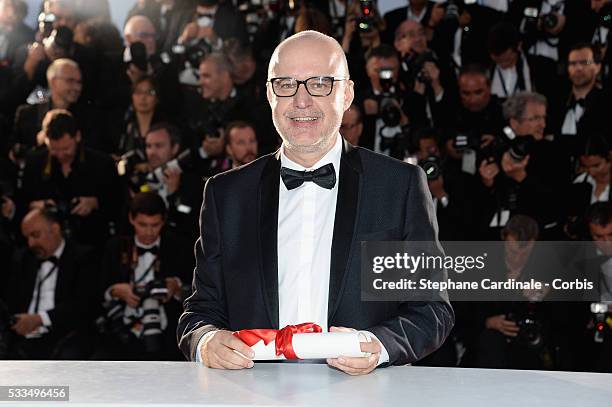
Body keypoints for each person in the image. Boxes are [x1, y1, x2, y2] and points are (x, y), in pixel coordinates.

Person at [177, 30, 454, 374]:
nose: (301, 100)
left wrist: (378, 345)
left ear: (347, 93)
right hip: (252, 394)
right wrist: (206, 341)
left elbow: (431, 311)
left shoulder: (400, 186)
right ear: (269, 94)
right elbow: (200, 312)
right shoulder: (226, 194)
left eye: (320, 83)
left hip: (363, 395)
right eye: (286, 84)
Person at [95, 192, 192, 361]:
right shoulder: (116, 247)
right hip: (123, 328)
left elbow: (195, 291)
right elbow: (97, 290)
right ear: (131, 219)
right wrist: (116, 291)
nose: (149, 232)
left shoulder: (178, 246)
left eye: (155, 225)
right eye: (142, 225)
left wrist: (175, 286)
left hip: (168, 331)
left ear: (163, 221)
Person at [2, 207, 96, 359]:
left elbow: (83, 305)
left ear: (55, 229)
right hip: (23, 335)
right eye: (27, 238)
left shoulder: (83, 257)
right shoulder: (22, 258)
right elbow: (11, 299)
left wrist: (40, 319)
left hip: (64, 334)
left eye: (35, 235)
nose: (31, 243)